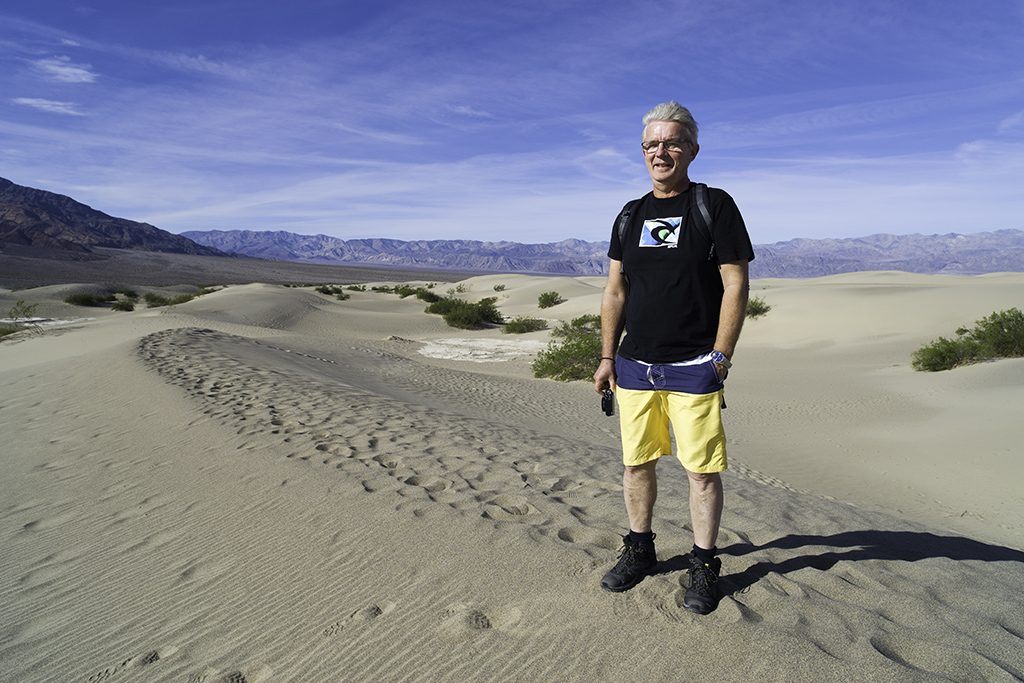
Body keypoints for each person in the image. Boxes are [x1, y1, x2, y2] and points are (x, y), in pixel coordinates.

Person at [593, 101, 754, 615]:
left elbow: (736, 283)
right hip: (635, 364)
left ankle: (704, 563)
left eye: (671, 142)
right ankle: (640, 549)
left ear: (692, 150)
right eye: (651, 144)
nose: (660, 152)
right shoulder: (629, 214)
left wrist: (721, 357)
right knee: (636, 464)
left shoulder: (713, 205)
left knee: (701, 471)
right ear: (643, 153)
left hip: (693, 366)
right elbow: (615, 291)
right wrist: (606, 357)